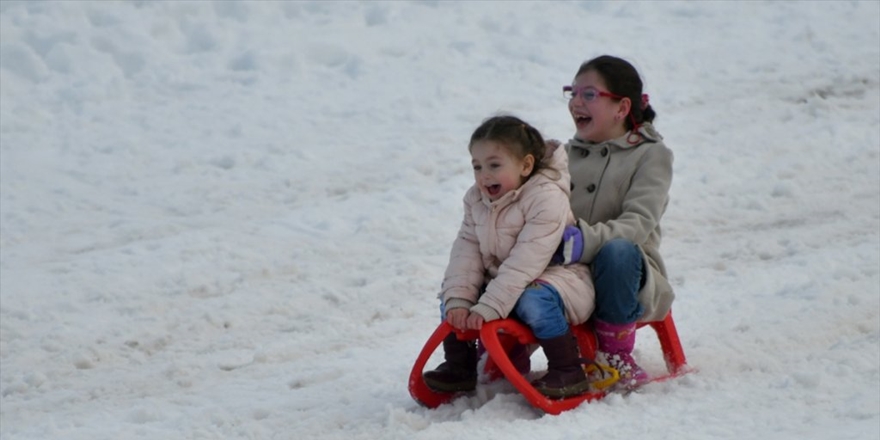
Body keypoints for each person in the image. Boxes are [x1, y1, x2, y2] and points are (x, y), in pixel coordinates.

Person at [422, 115, 596, 399]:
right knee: (454, 297)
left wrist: (490, 304)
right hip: (504, 282)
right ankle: (459, 368)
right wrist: (459, 300)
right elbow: (466, 249)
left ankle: (567, 369)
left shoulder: (546, 197)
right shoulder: (476, 199)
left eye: (494, 165)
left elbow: (527, 260)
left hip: (556, 280)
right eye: (477, 166)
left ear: (526, 165)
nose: (484, 175)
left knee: (533, 298)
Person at [553, 55, 675, 389]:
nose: (576, 102)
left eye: (589, 95)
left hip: (627, 273)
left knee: (617, 251)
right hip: (567, 268)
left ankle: (614, 354)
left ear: (621, 108)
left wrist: (582, 241)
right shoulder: (561, 156)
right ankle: (504, 352)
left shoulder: (651, 155)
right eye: (573, 93)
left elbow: (639, 222)